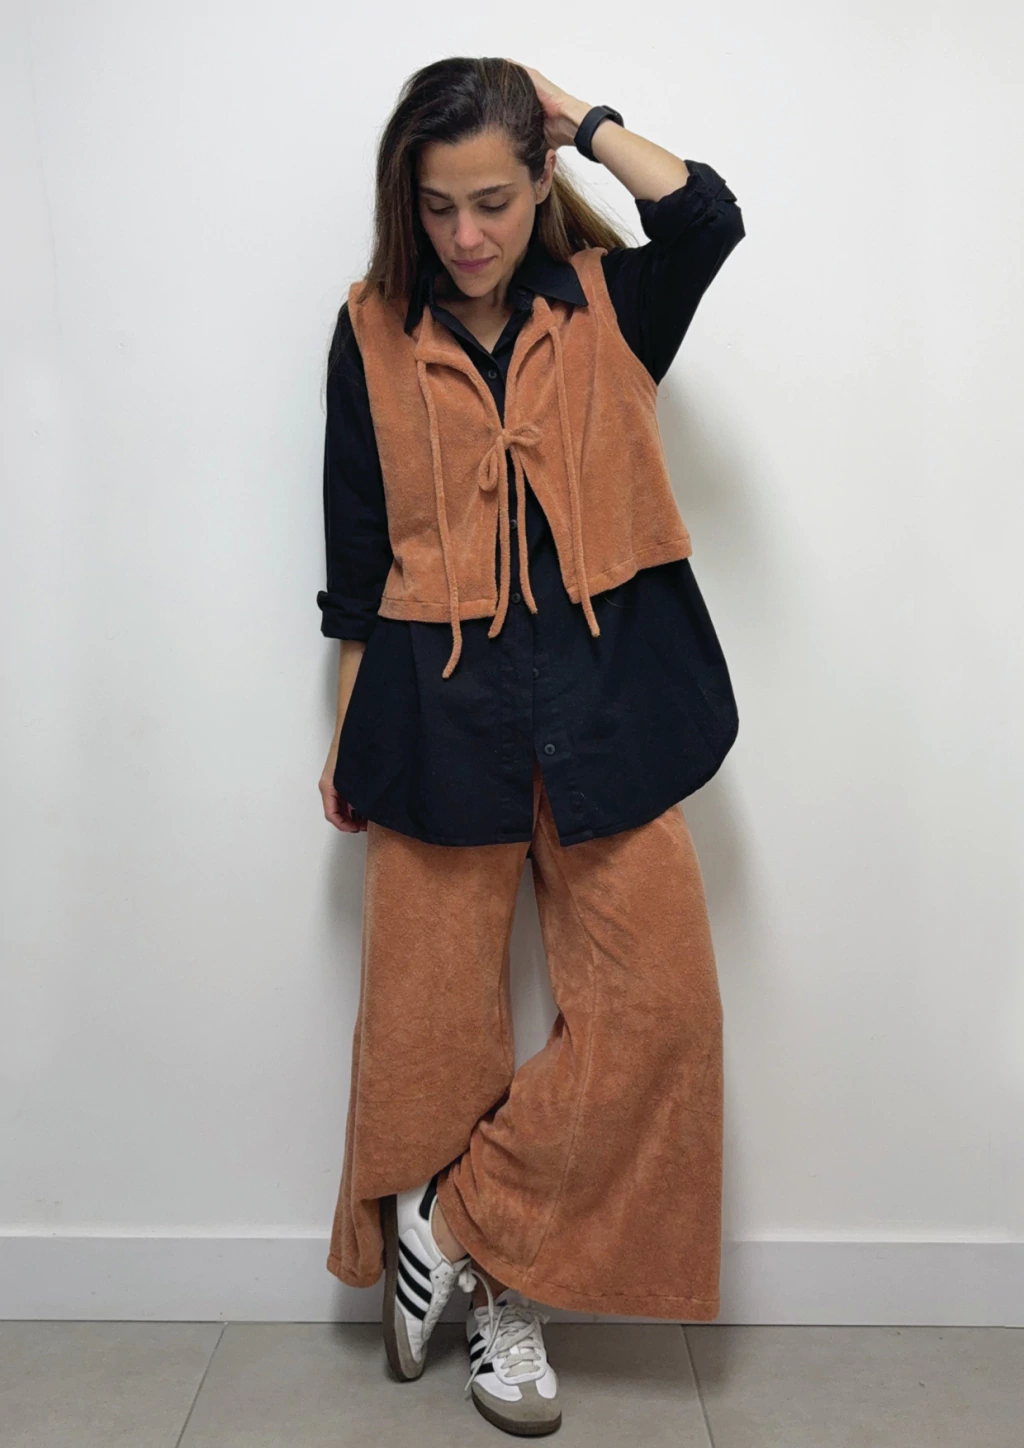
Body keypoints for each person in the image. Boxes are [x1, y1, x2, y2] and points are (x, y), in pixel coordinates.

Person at [316, 55, 745, 1438]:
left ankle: (456, 1227)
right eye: (437, 206)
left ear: (537, 183)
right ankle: (504, 1305)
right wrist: (346, 735)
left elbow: (709, 215)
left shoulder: (612, 304)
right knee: (433, 1034)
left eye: (493, 201)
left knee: (660, 1012)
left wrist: (586, 120)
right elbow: (356, 565)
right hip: (434, 716)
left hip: (614, 707)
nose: (465, 236)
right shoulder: (371, 332)